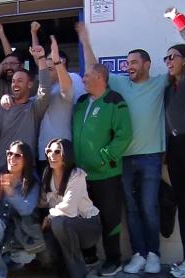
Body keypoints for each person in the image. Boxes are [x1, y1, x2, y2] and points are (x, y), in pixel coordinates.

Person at [77, 22, 167, 274]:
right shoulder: (119, 84)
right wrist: (85, 42)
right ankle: (138, 253)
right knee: (132, 209)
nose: (129, 66)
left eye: (134, 62)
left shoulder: (160, 83)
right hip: (124, 159)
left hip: (150, 157)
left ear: (147, 64)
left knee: (149, 206)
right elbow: (97, 69)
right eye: (127, 63)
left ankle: (153, 254)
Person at [72, 62, 132, 276]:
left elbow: (124, 135)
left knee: (110, 217)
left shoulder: (114, 101)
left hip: (106, 174)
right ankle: (89, 255)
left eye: (86, 75)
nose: (83, 79)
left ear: (100, 77)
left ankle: (114, 259)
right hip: (81, 175)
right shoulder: (80, 101)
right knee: (84, 216)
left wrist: (104, 158)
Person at [0, 44, 50, 172]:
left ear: (30, 84)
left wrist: (41, 58)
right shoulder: (4, 106)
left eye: (19, 81)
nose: (15, 84)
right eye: (13, 81)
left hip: (26, 173)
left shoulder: (34, 107)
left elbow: (45, 88)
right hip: (0, 169)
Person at [0, 141, 41, 278]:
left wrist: (10, 191)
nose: (11, 158)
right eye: (9, 154)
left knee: (26, 257)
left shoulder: (32, 183)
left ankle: (3, 259)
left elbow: (26, 209)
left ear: (26, 160)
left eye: (17, 155)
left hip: (17, 235)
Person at [40, 138, 101, 278]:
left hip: (88, 227)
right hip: (61, 227)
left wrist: (49, 216)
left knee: (59, 222)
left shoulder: (77, 174)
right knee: (46, 247)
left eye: (57, 152)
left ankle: (79, 274)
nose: (51, 155)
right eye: (49, 151)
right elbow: (41, 202)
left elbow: (69, 208)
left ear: (66, 154)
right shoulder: (47, 174)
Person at [28, 27, 85, 176]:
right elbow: (39, 62)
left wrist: (57, 62)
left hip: (61, 151)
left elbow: (67, 91)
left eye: (50, 67)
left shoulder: (71, 79)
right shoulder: (45, 88)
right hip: (42, 152)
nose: (45, 70)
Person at [164, 8, 185, 278]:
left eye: (174, 56)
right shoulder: (168, 88)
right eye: (166, 57)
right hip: (175, 150)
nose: (169, 61)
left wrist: (177, 19)